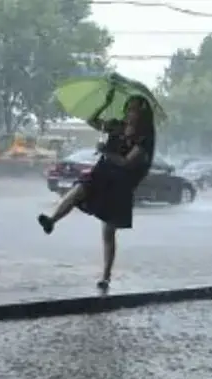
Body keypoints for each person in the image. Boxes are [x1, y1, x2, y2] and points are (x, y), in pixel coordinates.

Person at [37, 91, 156, 291]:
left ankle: (106, 277)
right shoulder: (117, 125)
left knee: (108, 232)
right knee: (77, 191)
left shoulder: (145, 139)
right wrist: (105, 103)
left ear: (142, 115)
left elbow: (127, 162)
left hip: (120, 184)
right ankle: (51, 220)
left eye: (134, 109)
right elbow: (92, 120)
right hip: (100, 175)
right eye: (129, 108)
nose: (129, 113)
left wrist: (105, 151)